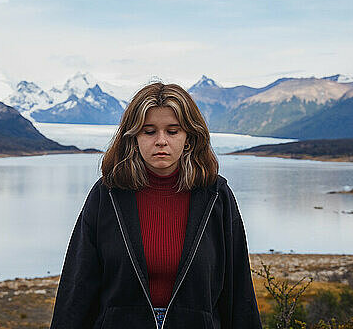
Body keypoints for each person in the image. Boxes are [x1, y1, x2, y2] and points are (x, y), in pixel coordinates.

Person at [49, 82, 262, 329]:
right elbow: (78, 287)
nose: (161, 141)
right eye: (149, 131)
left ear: (189, 138)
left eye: (173, 131)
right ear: (133, 137)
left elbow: (238, 290)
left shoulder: (216, 196)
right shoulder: (107, 195)